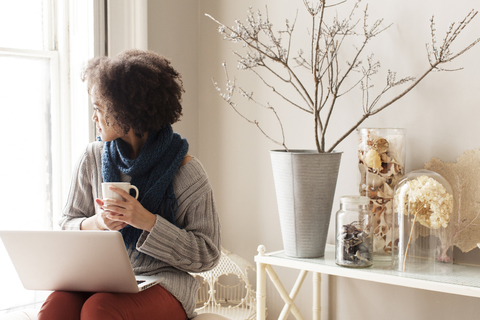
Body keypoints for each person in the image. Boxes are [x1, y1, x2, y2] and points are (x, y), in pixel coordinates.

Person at [38, 49, 221, 320]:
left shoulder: (187, 172)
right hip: (99, 277)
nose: (94, 118)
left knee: (99, 309)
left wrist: (148, 222)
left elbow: (207, 254)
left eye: (98, 109)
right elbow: (67, 224)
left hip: (163, 283)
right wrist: (98, 222)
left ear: (127, 114)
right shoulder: (92, 158)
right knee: (55, 306)